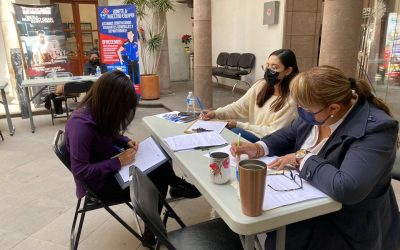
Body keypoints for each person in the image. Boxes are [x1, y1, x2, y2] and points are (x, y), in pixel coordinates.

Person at [231, 65, 400, 250]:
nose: (302, 113)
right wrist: (258, 148)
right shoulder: (317, 111)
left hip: (346, 224)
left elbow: (347, 187)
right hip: (305, 206)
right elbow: (288, 134)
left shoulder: (376, 130)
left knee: (280, 238)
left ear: (333, 108)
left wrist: (301, 158)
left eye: (305, 109)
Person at [65, 70, 200, 247]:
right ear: (111, 103)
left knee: (160, 158)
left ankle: (174, 186)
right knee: (158, 173)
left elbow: (109, 132)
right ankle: (159, 215)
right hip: (100, 186)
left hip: (109, 172)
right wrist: (118, 162)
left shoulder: (96, 112)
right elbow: (81, 171)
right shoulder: (81, 126)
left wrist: (125, 141)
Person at [202, 49, 299, 142]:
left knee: (235, 133)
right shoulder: (261, 86)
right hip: (254, 133)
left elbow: (274, 131)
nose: (268, 71)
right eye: (267, 66)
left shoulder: (292, 99)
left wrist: (240, 125)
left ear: (288, 71)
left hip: (270, 141)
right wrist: (216, 113)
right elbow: (239, 106)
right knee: (222, 132)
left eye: (274, 67)